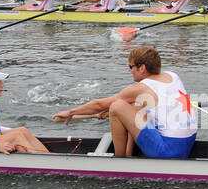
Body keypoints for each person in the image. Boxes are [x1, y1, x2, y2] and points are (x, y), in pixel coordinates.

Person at [53, 46, 197, 159]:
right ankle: (129, 155)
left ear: (142, 68)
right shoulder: (173, 76)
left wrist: (71, 112)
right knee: (134, 106)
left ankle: (120, 160)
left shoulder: (141, 88)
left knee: (117, 107)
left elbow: (100, 105)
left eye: (130, 66)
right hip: (187, 145)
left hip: (167, 152)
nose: (129, 70)